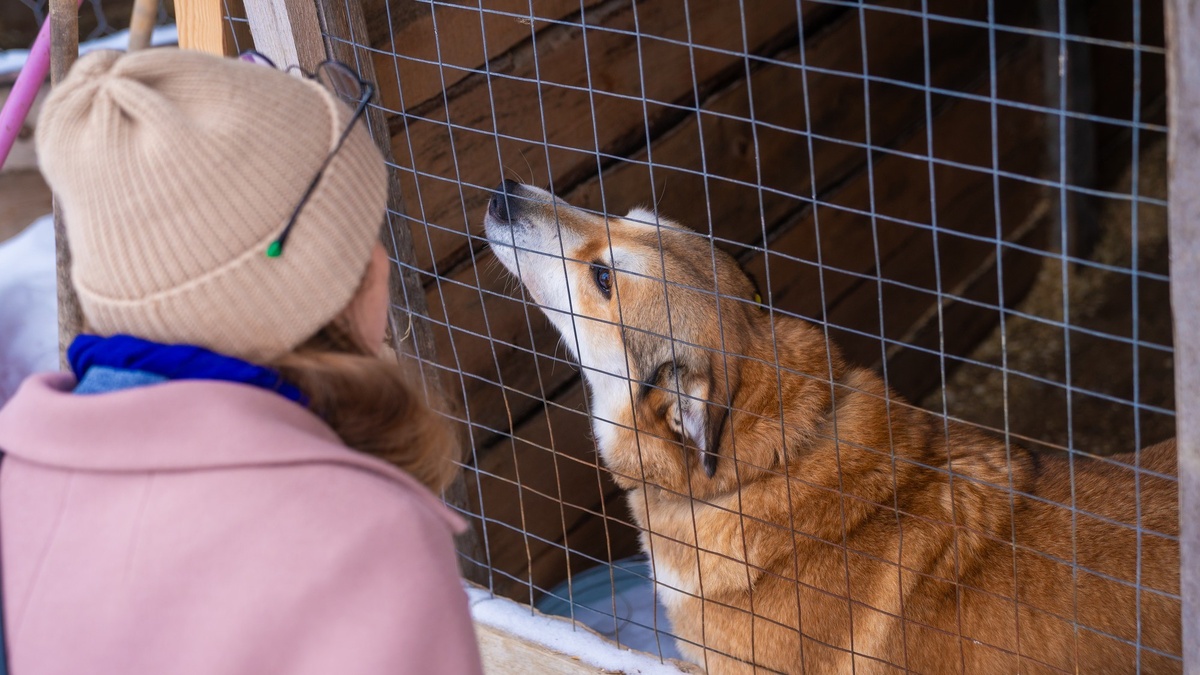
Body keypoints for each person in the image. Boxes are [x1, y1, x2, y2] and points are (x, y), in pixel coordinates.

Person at [0, 48, 484, 674]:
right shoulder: (367, 538)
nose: (383, 261)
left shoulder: (17, 489)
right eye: (362, 236)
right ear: (322, 287)